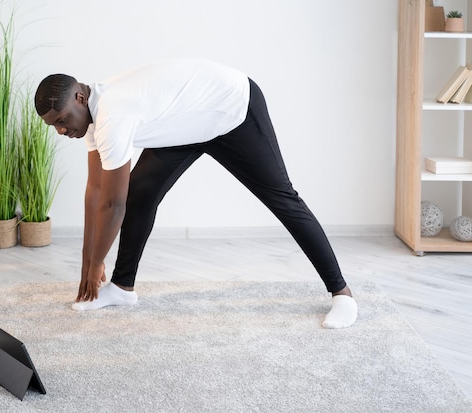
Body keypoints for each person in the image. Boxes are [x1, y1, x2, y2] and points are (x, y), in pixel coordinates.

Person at [34, 58, 357, 328]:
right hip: (187, 123)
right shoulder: (90, 117)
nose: (62, 131)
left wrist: (94, 266)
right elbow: (95, 191)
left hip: (231, 109)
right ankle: (121, 288)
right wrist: (88, 261)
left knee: (282, 198)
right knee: (141, 193)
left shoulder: (112, 116)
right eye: (54, 126)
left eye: (62, 121)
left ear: (79, 97)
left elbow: (112, 203)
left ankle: (342, 294)